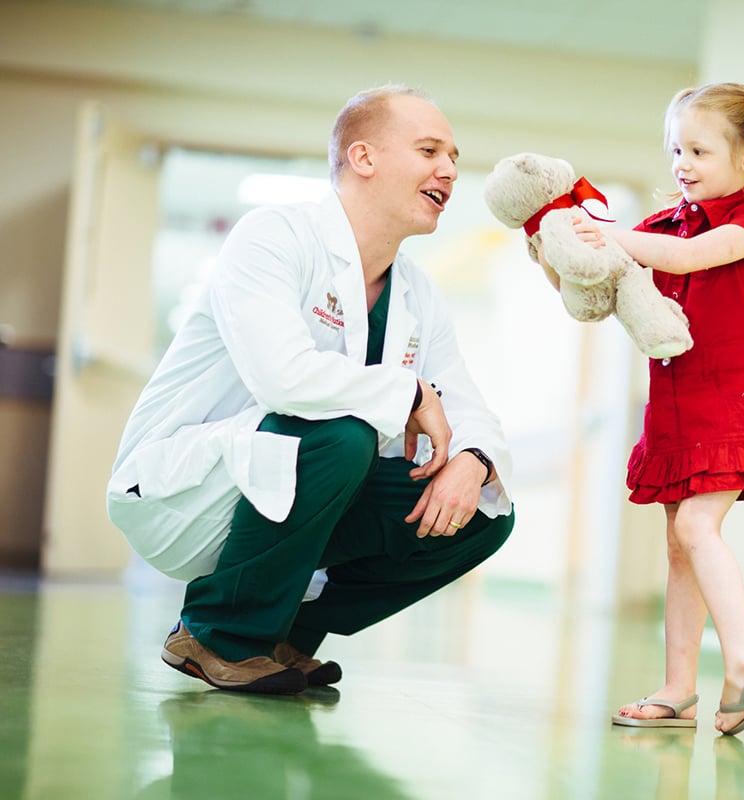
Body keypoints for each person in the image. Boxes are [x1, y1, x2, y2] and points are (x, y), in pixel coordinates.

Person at [106, 84, 515, 696]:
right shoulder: (275, 236)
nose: (449, 170)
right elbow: (283, 376)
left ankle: (288, 633)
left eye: (454, 156)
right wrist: (407, 393)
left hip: (304, 494)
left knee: (482, 514)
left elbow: (466, 403)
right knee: (341, 431)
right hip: (190, 487)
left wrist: (474, 463)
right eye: (430, 150)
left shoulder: (417, 293)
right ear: (363, 157)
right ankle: (217, 633)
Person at [564, 80, 744, 735]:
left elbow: (690, 258)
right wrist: (559, 241)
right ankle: (678, 689)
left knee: (698, 528)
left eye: (698, 150)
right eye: (676, 150)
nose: (682, 165)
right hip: (673, 406)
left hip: (729, 399)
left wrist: (611, 236)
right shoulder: (663, 223)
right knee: (679, 547)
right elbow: (608, 271)